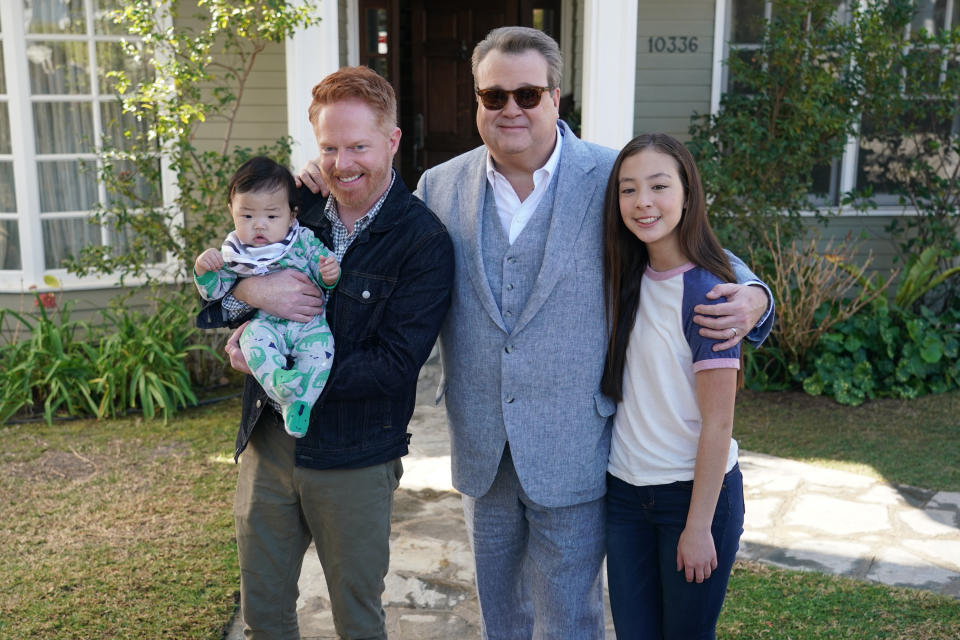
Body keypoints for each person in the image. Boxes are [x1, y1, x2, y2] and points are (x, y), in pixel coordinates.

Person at [299, 27, 773, 640]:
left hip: (575, 442)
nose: (510, 110)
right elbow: (372, 231)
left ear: (556, 98)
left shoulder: (610, 177)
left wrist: (755, 296)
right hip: (482, 446)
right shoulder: (441, 186)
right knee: (502, 616)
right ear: (477, 101)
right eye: (493, 97)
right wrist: (319, 180)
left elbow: (687, 239)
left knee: (572, 618)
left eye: (527, 94)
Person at [197, 66, 454, 640]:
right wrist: (250, 291)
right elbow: (221, 293)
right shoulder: (296, 207)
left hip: (355, 456)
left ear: (391, 141)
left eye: (359, 146)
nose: (343, 164)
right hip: (269, 446)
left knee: (358, 621)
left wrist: (291, 380)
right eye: (330, 147)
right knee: (263, 614)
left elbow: (394, 366)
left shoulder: (423, 242)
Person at [601, 133, 748, 639]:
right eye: (628, 189)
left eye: (659, 186)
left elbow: (719, 422)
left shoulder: (709, 294)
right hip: (624, 496)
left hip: (692, 498)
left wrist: (699, 526)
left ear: (687, 193)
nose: (643, 202)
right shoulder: (625, 276)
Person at [194, 156, 340, 437]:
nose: (259, 226)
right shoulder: (235, 253)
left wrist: (329, 273)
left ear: (292, 214)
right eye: (247, 216)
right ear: (231, 211)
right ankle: (278, 382)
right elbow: (216, 291)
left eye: (272, 216)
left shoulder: (303, 240)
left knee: (322, 353)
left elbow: (324, 272)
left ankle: (299, 405)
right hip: (266, 326)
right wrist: (203, 269)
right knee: (252, 340)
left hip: (310, 325)